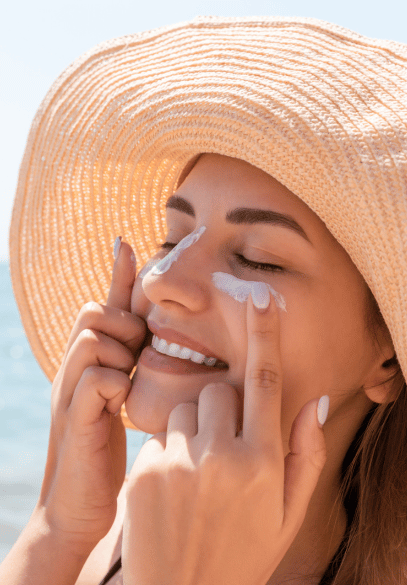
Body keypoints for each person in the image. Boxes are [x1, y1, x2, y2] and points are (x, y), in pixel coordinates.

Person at [1, 15, 407, 585]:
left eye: (259, 259)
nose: (161, 277)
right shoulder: (122, 525)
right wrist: (57, 529)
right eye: (170, 240)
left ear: (387, 357)